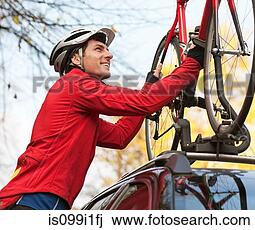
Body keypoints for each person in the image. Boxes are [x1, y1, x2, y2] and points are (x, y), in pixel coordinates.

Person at [0, 26, 204, 210]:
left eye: (106, 50)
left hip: (37, 197)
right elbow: (145, 102)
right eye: (99, 49)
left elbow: (119, 136)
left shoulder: (78, 108)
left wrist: (150, 89)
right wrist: (193, 63)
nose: (109, 55)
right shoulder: (75, 85)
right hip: (35, 198)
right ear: (76, 59)